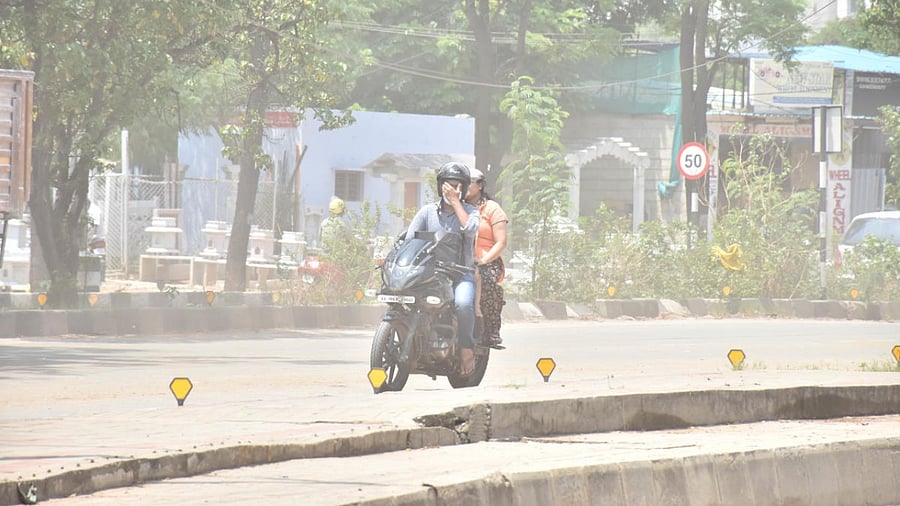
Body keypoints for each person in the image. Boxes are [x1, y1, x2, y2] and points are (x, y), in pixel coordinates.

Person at [406, 162, 480, 376]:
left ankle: (466, 347)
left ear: (464, 189)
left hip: (460, 273)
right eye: (448, 186)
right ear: (440, 187)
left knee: (464, 303)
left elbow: (470, 230)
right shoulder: (427, 212)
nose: (452, 190)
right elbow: (410, 239)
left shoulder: (470, 211)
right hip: (430, 274)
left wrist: (456, 202)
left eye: (458, 186)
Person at [465, 168, 509, 348]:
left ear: (480, 185)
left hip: (485, 260)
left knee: (487, 282)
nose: (464, 186)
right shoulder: (456, 207)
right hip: (458, 258)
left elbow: (501, 242)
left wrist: (483, 260)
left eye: (470, 182)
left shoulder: (492, 209)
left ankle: (491, 331)